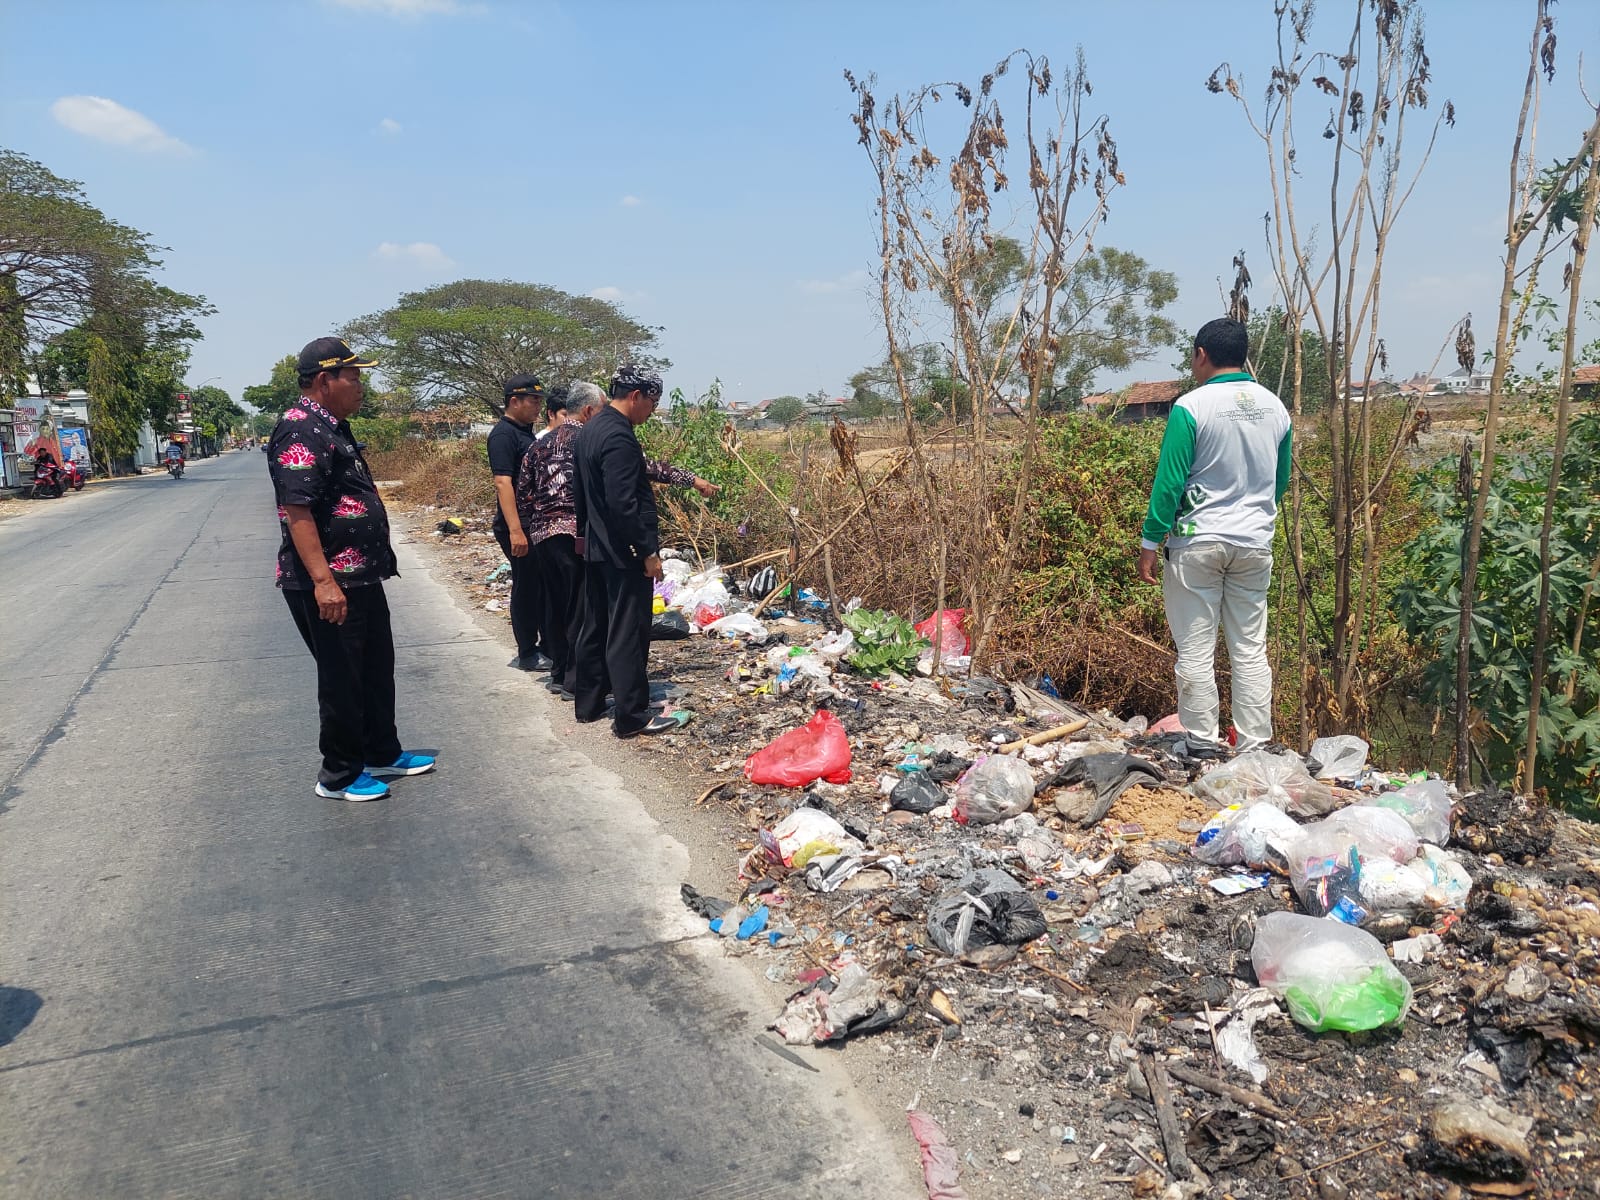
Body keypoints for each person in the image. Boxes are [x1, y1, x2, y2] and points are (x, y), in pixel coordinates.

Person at [269, 337, 436, 801]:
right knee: (342, 678)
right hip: (329, 581)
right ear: (326, 380)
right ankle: (339, 775)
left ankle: (382, 750)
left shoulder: (333, 426)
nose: (362, 387)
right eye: (355, 377)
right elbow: (297, 511)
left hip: (361, 575)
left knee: (377, 667)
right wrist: (324, 582)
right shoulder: (300, 429)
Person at [1137, 317, 1291, 752]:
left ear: (1201, 355)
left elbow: (1169, 484)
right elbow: (1278, 482)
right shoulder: (1276, 408)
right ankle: (1255, 745)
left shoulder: (1192, 407)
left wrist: (1151, 542)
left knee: (1196, 650)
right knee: (1249, 648)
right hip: (1254, 544)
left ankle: (1202, 744)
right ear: (1243, 355)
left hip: (1198, 543)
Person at [570, 366, 680, 738]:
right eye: (652, 402)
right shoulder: (618, 436)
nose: (652, 410)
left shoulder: (589, 431)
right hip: (622, 552)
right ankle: (632, 716)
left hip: (597, 547)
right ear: (636, 396)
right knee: (628, 633)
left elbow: (584, 497)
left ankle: (588, 702)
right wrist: (647, 550)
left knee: (596, 625)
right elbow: (623, 503)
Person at [487, 374, 550, 672]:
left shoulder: (526, 433)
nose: (538, 406)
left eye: (540, 400)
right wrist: (515, 530)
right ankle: (527, 652)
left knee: (540, 586)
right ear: (514, 401)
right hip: (518, 524)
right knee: (526, 587)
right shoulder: (503, 435)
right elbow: (503, 483)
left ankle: (546, 646)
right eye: (533, 400)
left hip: (534, 523)